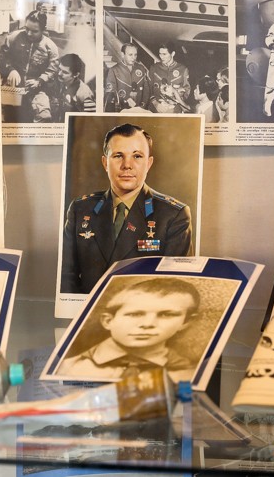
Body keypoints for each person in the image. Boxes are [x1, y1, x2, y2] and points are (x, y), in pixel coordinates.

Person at [61, 123, 193, 295]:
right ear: (105, 163)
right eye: (118, 156)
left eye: (137, 156)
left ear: (148, 163)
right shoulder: (80, 209)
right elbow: (66, 279)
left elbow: (174, 287)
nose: (127, 165)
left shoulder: (173, 215)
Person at [56, 278, 199, 381]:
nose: (147, 324)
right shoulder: (66, 368)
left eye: (166, 315)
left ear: (185, 322)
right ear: (108, 321)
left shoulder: (188, 374)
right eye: (135, 314)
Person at [0, 9, 61, 122]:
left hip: (38, 90)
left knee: (44, 117)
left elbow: (53, 70)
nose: (29, 33)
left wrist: (39, 81)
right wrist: (11, 70)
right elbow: (3, 57)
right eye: (27, 29)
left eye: (34, 31)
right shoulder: (13, 38)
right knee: (8, 118)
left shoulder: (51, 47)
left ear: (43, 29)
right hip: (13, 87)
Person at [48, 53, 96, 122]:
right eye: (59, 69)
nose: (59, 74)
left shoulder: (84, 94)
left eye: (65, 72)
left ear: (76, 75)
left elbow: (91, 120)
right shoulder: (62, 83)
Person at [104, 42, 151, 111]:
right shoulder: (114, 70)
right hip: (122, 110)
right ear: (123, 55)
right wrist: (125, 99)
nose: (133, 58)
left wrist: (142, 105)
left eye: (135, 55)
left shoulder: (141, 68)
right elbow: (111, 93)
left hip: (140, 109)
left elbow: (146, 89)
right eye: (130, 55)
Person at [147, 42, 191, 113]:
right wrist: (156, 103)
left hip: (174, 108)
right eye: (160, 54)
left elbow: (186, 90)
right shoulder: (154, 68)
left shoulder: (183, 69)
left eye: (164, 54)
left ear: (172, 54)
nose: (161, 57)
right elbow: (148, 89)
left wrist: (175, 96)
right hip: (156, 108)